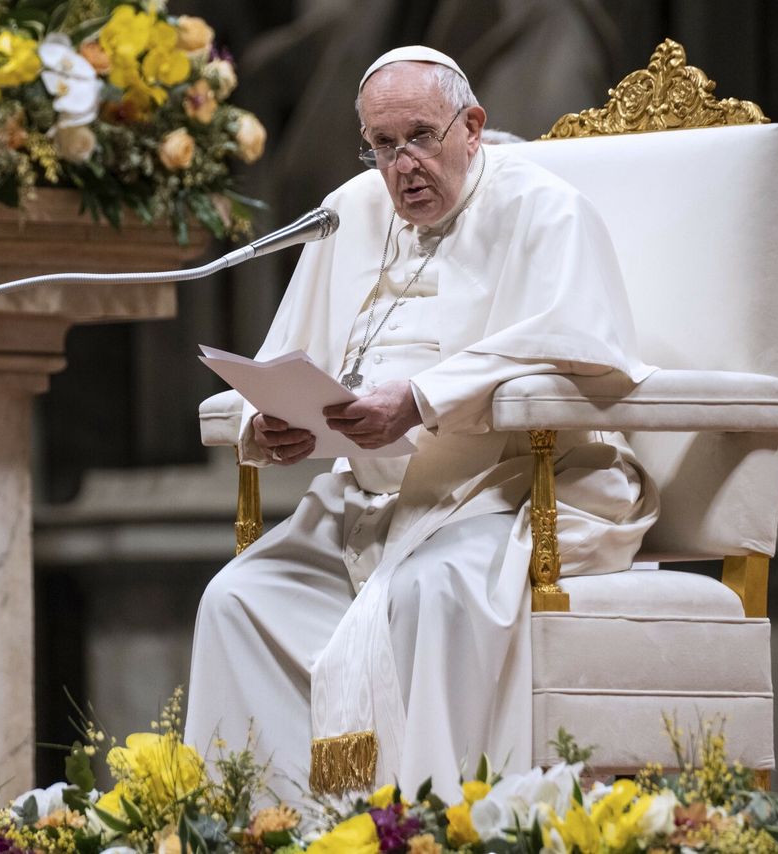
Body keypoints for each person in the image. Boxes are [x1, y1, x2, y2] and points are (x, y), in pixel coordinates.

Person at [184, 46, 659, 805]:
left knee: (431, 595)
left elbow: (582, 343)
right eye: (382, 145)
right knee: (238, 599)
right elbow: (285, 356)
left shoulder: (545, 210)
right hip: (373, 503)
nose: (402, 165)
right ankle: (266, 828)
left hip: (512, 489)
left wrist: (424, 398)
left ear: (472, 126)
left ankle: (438, 822)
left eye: (421, 136)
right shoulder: (352, 212)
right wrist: (269, 424)